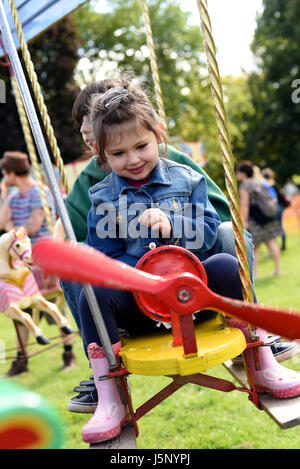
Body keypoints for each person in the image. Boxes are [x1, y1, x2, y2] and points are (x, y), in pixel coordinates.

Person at [75, 80, 300, 444]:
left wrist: (174, 225)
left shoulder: (188, 179)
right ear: (101, 155)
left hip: (193, 297)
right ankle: (108, 393)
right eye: (118, 154)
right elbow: (104, 257)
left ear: (158, 134)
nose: (132, 159)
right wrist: (131, 268)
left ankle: (260, 358)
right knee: (92, 295)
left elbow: (210, 230)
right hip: (141, 305)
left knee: (227, 264)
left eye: (141, 146)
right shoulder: (101, 198)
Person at [0, 151, 76, 376]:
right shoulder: (13, 196)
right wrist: (4, 194)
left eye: (5, 174)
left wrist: (15, 228)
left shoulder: (39, 192)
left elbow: (34, 224)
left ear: (12, 173)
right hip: (22, 262)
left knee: (57, 306)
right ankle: (21, 361)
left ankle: (68, 353)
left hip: (42, 258)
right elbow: (4, 225)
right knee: (18, 309)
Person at [236, 161, 281, 278]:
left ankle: (255, 273)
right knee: (272, 242)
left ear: (243, 173)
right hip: (267, 216)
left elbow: (245, 205)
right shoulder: (259, 181)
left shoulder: (244, 186)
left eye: (238, 171)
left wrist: (244, 221)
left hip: (254, 219)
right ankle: (277, 269)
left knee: (253, 247)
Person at [262, 168, 290, 251]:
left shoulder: (267, 185)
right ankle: (282, 245)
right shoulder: (274, 183)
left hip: (275, 208)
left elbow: (272, 198)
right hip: (280, 207)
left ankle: (277, 247)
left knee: (274, 227)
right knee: (279, 226)